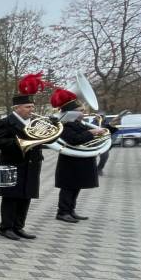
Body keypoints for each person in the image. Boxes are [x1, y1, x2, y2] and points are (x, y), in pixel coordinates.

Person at [0, 73, 48, 241]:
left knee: (26, 196)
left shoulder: (34, 123)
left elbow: (44, 140)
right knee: (11, 197)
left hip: (32, 164)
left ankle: (18, 226)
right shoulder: (5, 122)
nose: (31, 110)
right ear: (17, 108)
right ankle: (6, 227)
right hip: (13, 164)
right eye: (28, 107)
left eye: (32, 106)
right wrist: (18, 142)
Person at [51, 88, 106, 223]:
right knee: (68, 187)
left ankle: (71, 210)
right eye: (81, 110)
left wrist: (106, 130)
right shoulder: (65, 124)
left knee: (76, 187)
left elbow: (87, 136)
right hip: (70, 162)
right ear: (72, 112)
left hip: (80, 160)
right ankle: (63, 212)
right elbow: (74, 140)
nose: (84, 112)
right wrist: (92, 133)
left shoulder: (78, 123)